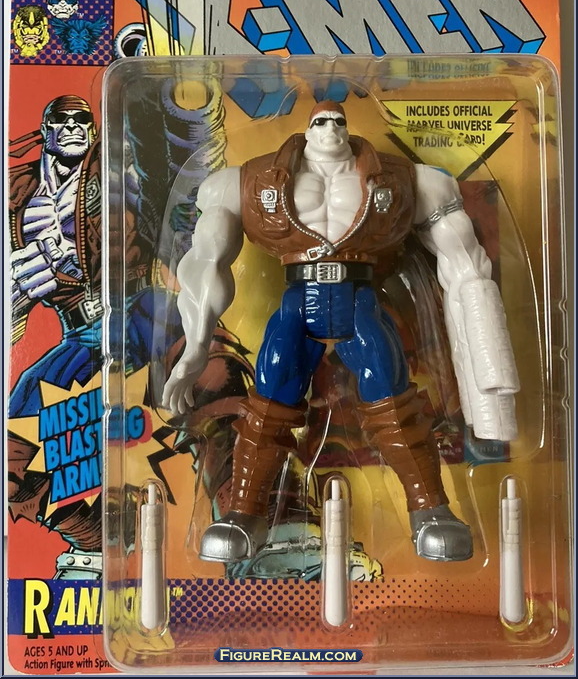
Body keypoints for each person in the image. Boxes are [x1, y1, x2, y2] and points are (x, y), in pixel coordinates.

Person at [164, 100, 520, 566]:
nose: (330, 128)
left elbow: (466, 264)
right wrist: (195, 347)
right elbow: (206, 262)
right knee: (269, 398)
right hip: (298, 304)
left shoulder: (407, 180)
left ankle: (431, 510)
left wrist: (486, 374)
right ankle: (244, 512)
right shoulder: (246, 181)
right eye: (320, 122)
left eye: (337, 121)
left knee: (393, 398)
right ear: (308, 129)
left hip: (360, 303)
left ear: (347, 127)